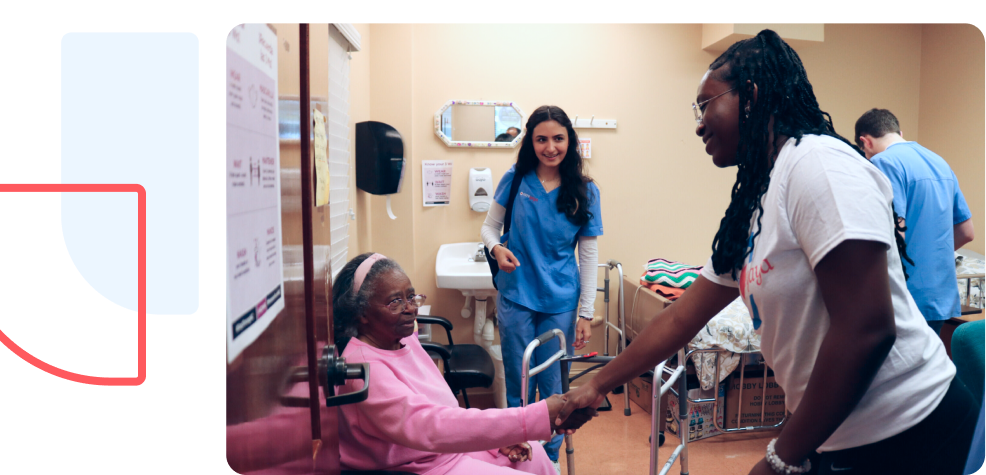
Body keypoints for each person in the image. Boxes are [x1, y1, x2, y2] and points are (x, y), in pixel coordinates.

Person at [557, 30, 978, 475]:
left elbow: (867, 328)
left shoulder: (819, 165)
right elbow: (682, 317)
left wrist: (783, 455)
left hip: (914, 437)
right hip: (839, 438)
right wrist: (598, 384)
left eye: (705, 105)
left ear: (752, 95)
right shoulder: (757, 198)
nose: (698, 123)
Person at [333, 252, 596, 475]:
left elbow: (444, 411)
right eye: (395, 302)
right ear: (362, 313)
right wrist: (531, 418)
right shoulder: (362, 368)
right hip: (419, 465)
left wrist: (496, 441)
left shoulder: (401, 340)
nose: (410, 308)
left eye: (411, 297)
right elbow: (431, 425)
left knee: (535, 454)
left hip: (442, 450)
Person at [481, 106, 602, 469]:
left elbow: (589, 254)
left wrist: (586, 313)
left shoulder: (586, 190)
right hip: (516, 293)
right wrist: (497, 248)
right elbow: (489, 228)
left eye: (558, 138)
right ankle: (519, 453)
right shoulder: (515, 179)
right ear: (530, 142)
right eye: (542, 139)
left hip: (560, 300)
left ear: (570, 141)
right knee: (518, 382)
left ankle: (548, 462)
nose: (550, 147)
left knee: (552, 387)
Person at [855, 109, 975, 334]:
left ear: (865, 142)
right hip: (938, 295)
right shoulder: (939, 161)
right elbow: (966, 231)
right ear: (900, 133)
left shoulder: (882, 162)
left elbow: (894, 232)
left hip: (904, 296)